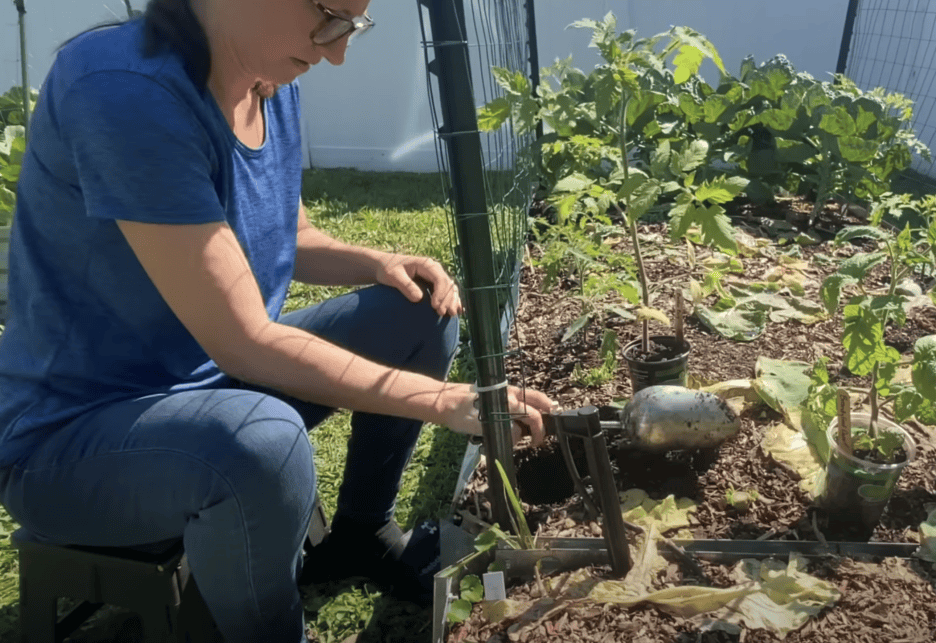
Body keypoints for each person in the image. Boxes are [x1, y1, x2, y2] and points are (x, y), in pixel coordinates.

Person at [0, 0, 556, 640]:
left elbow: (286, 237)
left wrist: (378, 262)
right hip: (71, 441)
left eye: (352, 25)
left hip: (210, 390)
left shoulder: (267, 83)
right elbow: (244, 343)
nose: (337, 50)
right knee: (261, 443)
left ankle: (361, 532)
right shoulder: (122, 87)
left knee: (417, 309)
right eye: (330, 17)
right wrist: (440, 400)